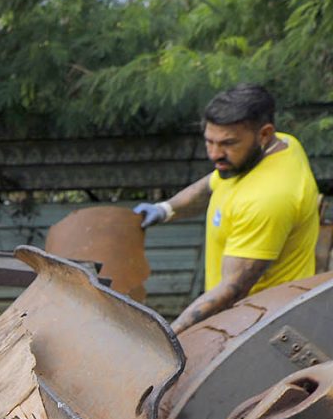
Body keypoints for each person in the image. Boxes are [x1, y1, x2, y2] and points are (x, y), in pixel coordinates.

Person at [133, 84, 323, 334]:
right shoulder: (281, 146)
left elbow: (232, 289)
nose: (214, 154)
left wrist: (169, 334)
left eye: (227, 143)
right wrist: (166, 208)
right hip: (240, 313)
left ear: (264, 134)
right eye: (209, 141)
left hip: (259, 327)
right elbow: (213, 183)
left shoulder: (268, 198)